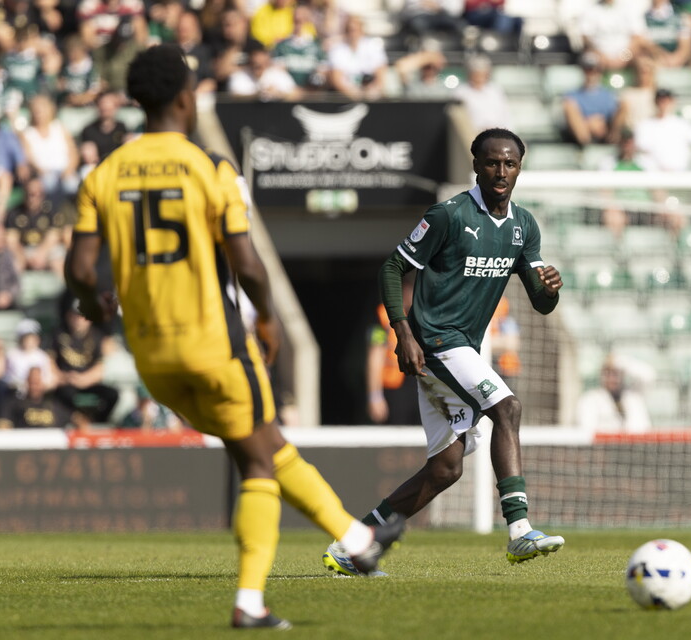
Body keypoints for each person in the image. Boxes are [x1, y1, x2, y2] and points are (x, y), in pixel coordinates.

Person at [65, 44, 403, 629]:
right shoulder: (210, 168)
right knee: (257, 466)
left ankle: (357, 539)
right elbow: (246, 264)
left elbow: (78, 267)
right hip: (213, 344)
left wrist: (92, 304)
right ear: (184, 98)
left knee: (258, 441)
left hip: (151, 355)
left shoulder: (104, 173)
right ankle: (250, 601)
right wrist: (268, 317)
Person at [323, 127, 565, 576]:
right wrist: (403, 333)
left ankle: (352, 545)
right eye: (491, 162)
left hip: (462, 348)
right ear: (475, 165)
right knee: (507, 408)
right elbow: (393, 267)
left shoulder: (523, 226)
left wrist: (551, 289)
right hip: (434, 341)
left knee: (445, 470)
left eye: (510, 163)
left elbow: (541, 302)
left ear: (519, 168)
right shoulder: (448, 215)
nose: (501, 171)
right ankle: (519, 531)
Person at [50, 304, 119, 428]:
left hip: (88, 381)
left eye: (82, 317)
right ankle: (74, 420)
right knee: (62, 395)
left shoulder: (97, 336)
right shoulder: (58, 334)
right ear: (68, 317)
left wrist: (84, 379)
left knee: (112, 394)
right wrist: (63, 377)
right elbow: (50, 361)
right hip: (66, 382)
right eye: (75, 316)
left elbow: (100, 366)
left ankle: (97, 423)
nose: (78, 320)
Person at [366, 277, 419, 425]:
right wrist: (374, 396)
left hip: (417, 385)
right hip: (394, 387)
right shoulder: (382, 316)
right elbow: (374, 357)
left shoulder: (419, 316)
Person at [4, 175, 68, 274]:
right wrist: (22, 257)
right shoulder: (15, 213)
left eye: (39, 194)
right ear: (25, 193)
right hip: (24, 250)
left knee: (58, 261)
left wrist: (41, 254)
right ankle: (11, 289)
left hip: (46, 249)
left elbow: (53, 236)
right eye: (31, 194)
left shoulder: (51, 210)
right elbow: (11, 241)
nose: (34, 197)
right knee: (15, 263)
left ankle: (66, 288)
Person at [576, 353, 653, 434]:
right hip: (608, 445)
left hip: (639, 443)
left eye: (616, 374)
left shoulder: (634, 394)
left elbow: (648, 375)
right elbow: (587, 430)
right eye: (608, 374)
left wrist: (620, 361)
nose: (612, 378)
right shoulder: (590, 399)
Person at [561, 51, 625, 146]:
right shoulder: (573, 95)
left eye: (596, 69)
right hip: (582, 135)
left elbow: (613, 116)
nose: (592, 73)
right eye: (588, 69)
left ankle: (611, 142)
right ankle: (587, 145)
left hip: (605, 132)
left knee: (625, 105)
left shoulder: (608, 94)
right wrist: (589, 124)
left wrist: (602, 125)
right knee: (569, 106)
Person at [634, 87, 691, 172]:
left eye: (666, 101)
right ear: (655, 102)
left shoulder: (682, 124)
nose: (663, 104)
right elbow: (643, 149)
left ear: (672, 102)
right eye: (661, 101)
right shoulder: (644, 125)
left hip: (680, 174)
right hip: (654, 176)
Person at [327, 14, 389, 101]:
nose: (353, 34)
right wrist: (355, 93)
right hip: (346, 96)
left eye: (355, 30)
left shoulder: (373, 46)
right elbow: (336, 78)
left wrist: (373, 89)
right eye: (350, 30)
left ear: (362, 30)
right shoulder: (338, 49)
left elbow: (381, 73)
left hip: (371, 94)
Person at [0, 365, 72, 429]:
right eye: (32, 382)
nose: (34, 387)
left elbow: (75, 420)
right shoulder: (13, 403)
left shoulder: (56, 405)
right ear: (27, 382)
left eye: (37, 382)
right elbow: (2, 425)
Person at [454, 54, 512, 133]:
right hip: (473, 135)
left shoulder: (496, 90)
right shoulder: (461, 93)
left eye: (482, 74)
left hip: (498, 134)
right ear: (470, 74)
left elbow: (506, 115)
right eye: (476, 74)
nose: (479, 78)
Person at [4, 317, 55, 396]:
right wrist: (21, 385)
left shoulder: (43, 356)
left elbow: (49, 380)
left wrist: (36, 387)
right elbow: (6, 378)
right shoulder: (11, 355)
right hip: (15, 395)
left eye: (32, 337)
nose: (29, 340)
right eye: (26, 337)